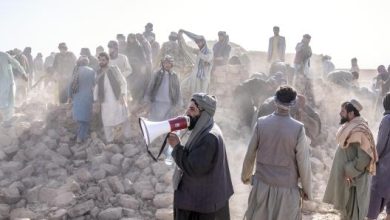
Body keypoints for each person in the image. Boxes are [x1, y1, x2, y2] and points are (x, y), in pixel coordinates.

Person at [241, 85, 312, 220]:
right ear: (293, 103)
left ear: (275, 101)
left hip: (261, 188)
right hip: (287, 192)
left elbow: (250, 155)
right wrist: (307, 191)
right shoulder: (298, 128)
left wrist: (246, 177)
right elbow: (304, 163)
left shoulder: (261, 123)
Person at [168, 93, 233, 220]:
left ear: (204, 113)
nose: (187, 113)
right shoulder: (206, 129)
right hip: (201, 200)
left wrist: (177, 147)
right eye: (188, 108)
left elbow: (193, 168)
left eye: (192, 109)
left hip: (199, 206)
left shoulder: (209, 137)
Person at [323, 99, 377, 220]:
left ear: (352, 113)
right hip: (348, 180)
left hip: (354, 181)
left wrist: (349, 170)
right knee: (346, 213)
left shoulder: (360, 130)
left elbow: (364, 158)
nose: (340, 113)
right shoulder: (351, 127)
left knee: (353, 213)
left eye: (343, 111)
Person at [94, 52, 131, 143]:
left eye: (103, 60)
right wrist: (96, 100)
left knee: (124, 118)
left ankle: (127, 137)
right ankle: (109, 140)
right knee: (106, 121)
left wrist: (122, 94)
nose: (101, 62)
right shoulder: (98, 72)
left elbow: (123, 82)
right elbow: (96, 87)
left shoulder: (114, 69)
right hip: (105, 101)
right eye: (100, 60)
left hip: (118, 99)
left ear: (107, 60)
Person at [367, 93, 390, 220]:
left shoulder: (387, 119)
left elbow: (380, 144)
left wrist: (373, 159)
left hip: (385, 166)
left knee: (376, 194)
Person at [144, 55, 182, 121]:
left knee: (166, 122)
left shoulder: (174, 75)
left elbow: (177, 89)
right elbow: (151, 86)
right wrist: (147, 98)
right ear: (163, 63)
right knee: (154, 120)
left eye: (169, 63)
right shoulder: (157, 74)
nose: (167, 65)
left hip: (168, 103)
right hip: (157, 102)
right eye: (165, 63)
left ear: (171, 64)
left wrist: (179, 102)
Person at [68, 56, 96, 143]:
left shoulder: (76, 70)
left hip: (77, 96)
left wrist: (69, 96)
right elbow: (95, 84)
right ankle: (81, 137)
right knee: (86, 118)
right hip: (88, 96)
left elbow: (70, 85)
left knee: (80, 118)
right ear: (87, 62)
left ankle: (80, 136)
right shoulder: (91, 71)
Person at [178, 29, 213, 94]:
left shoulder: (209, 52)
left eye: (199, 42)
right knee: (185, 86)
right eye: (197, 43)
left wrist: (199, 53)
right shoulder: (198, 51)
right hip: (196, 76)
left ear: (203, 42)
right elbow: (188, 48)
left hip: (204, 77)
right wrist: (181, 38)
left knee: (203, 94)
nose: (198, 44)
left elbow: (207, 59)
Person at [0, 51, 28, 125]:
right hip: (8, 82)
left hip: (8, 82)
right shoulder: (4, 55)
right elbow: (16, 64)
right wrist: (23, 73)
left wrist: (23, 73)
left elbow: (16, 63)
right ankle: (6, 120)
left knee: (8, 101)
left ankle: (7, 120)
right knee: (8, 101)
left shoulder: (4, 55)